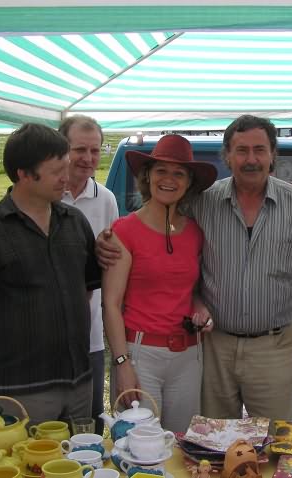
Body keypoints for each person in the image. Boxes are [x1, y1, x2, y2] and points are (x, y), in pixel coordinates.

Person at [97, 115, 292, 422]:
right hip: (213, 348)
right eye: (242, 150)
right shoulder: (204, 203)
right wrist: (105, 240)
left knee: (274, 438)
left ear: (273, 155)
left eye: (259, 150)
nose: (251, 159)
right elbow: (155, 219)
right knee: (209, 439)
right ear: (227, 156)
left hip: (273, 347)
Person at [0, 123, 100, 424]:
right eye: (57, 171)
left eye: (66, 167)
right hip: (17, 392)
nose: (66, 177)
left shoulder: (75, 223)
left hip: (78, 384)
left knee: (81, 454)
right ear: (24, 174)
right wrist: (3, 356)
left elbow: (85, 290)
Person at [102, 134, 216, 433]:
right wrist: (122, 363)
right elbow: (111, 304)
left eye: (179, 173)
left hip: (188, 356)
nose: (169, 179)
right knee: (139, 446)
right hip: (141, 354)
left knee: (182, 444)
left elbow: (190, 290)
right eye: (161, 170)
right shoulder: (124, 231)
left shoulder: (195, 232)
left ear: (189, 182)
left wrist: (201, 309)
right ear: (147, 176)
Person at [58, 115, 119, 435]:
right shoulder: (46, 194)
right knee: (50, 426)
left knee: (89, 423)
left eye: (95, 150)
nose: (88, 158)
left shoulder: (106, 199)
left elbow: (112, 263)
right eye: (79, 149)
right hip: (47, 333)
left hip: (90, 331)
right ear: (61, 150)